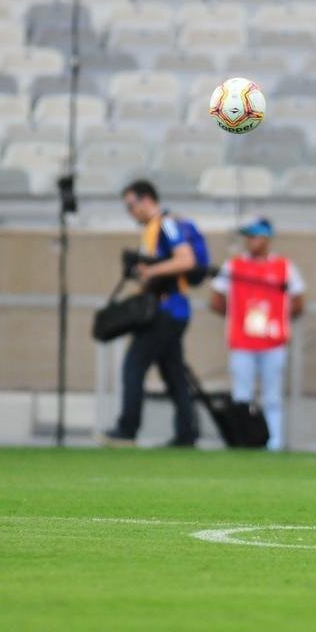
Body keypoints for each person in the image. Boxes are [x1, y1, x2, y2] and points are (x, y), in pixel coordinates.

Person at [103, 180, 200, 447]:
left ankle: (127, 429)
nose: (130, 212)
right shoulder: (152, 230)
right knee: (173, 373)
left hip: (166, 310)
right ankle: (186, 433)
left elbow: (186, 259)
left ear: (147, 200)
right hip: (169, 310)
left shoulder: (166, 224)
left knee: (133, 365)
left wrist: (150, 272)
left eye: (131, 205)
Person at [208, 218, 305, 451]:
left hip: (273, 342)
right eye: (248, 237)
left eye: (255, 236)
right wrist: (238, 316)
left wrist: (275, 318)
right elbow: (216, 299)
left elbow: (298, 300)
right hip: (242, 341)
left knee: (272, 396)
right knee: (242, 394)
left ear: (267, 238)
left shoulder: (284, 267)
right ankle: (244, 439)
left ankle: (273, 442)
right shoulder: (233, 266)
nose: (251, 241)